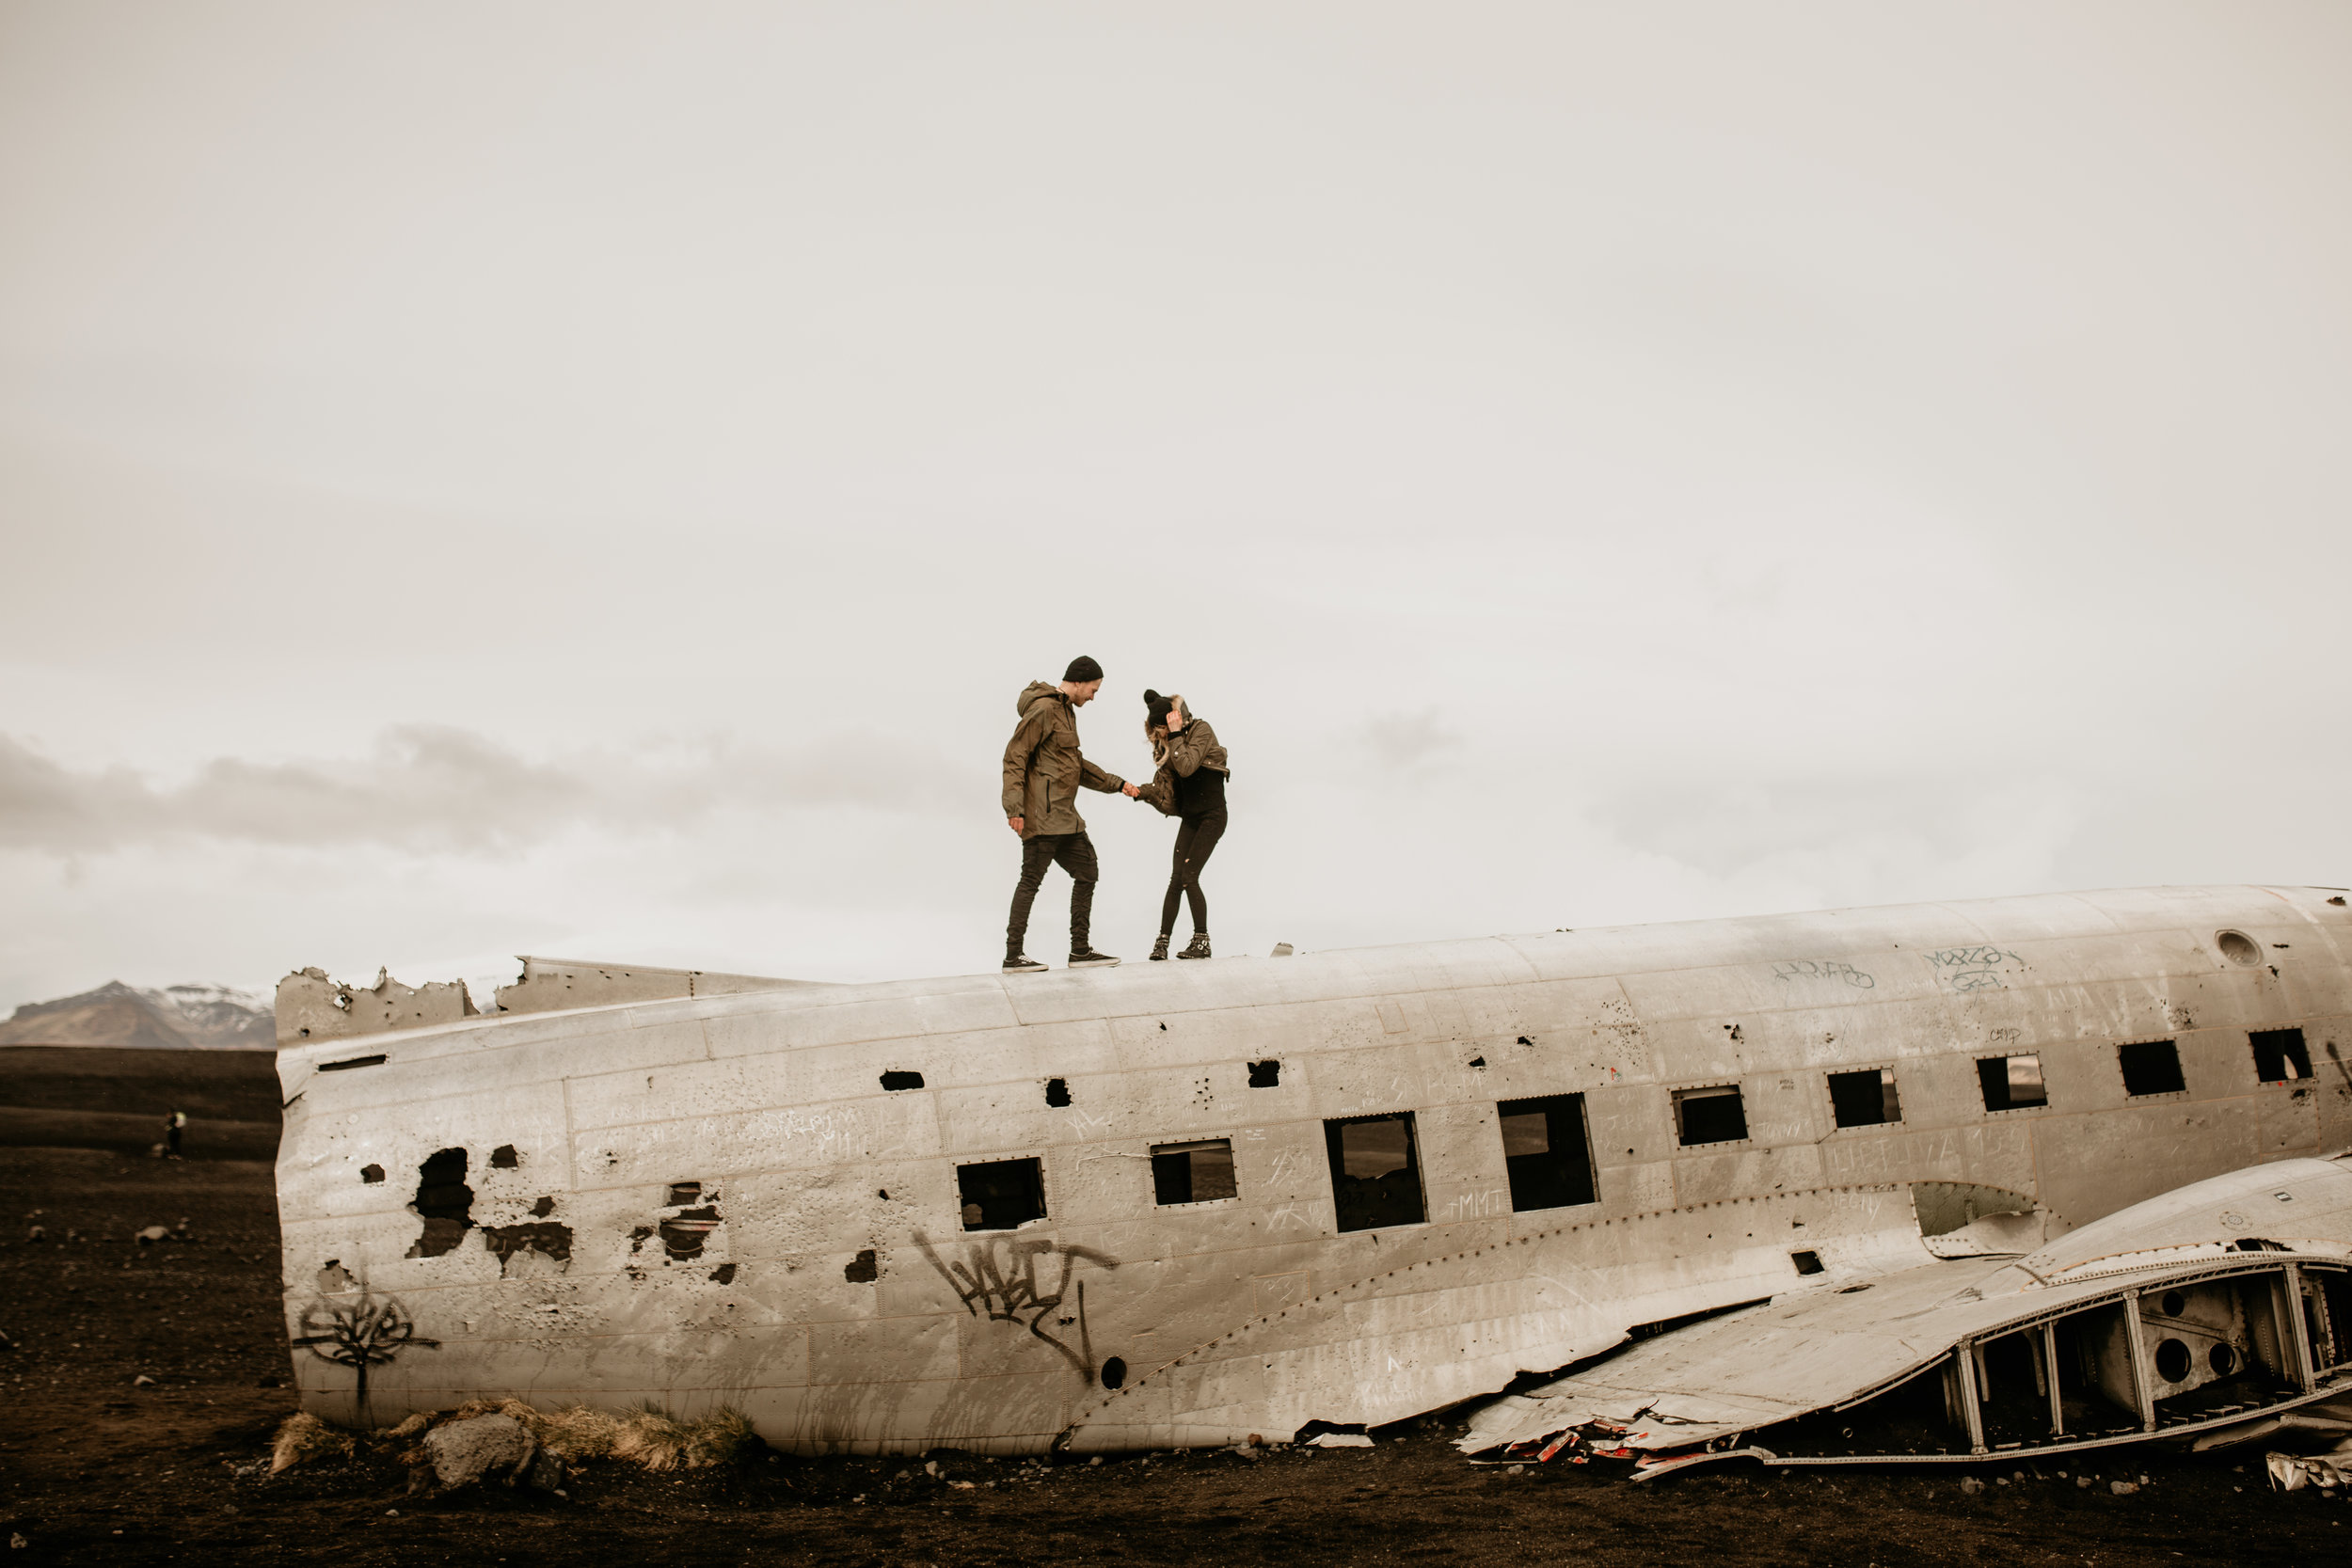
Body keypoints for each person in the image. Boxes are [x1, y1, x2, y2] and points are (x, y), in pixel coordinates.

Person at [1001, 656, 1129, 973]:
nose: (1093, 696)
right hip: (1041, 817)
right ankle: (1013, 956)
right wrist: (1014, 808)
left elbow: (1077, 765)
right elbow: (1014, 755)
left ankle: (1080, 951)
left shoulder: (1067, 712)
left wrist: (1119, 784)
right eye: (1093, 690)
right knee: (1030, 881)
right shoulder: (1044, 709)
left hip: (1065, 818)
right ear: (1078, 681)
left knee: (1088, 870)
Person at [1127, 689, 1230, 960]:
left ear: (1172, 721)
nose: (1159, 735)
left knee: (1189, 876)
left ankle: (1202, 941)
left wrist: (1173, 736)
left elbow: (1187, 767)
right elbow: (1171, 803)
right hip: (1191, 817)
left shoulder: (1201, 730)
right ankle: (1162, 942)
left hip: (1212, 816)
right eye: (1158, 730)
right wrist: (1145, 793)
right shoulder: (1170, 744)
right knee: (1176, 879)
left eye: (1162, 728)